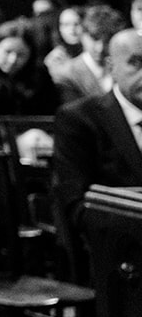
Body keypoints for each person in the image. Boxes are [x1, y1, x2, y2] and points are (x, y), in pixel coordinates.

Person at [53, 27, 142, 277]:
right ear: (111, 66)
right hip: (117, 255)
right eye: (135, 63)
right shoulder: (80, 119)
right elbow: (76, 207)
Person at [51, 2, 121, 105]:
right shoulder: (66, 74)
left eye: (106, 41)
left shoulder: (123, 68)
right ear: (82, 34)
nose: (100, 48)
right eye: (94, 38)